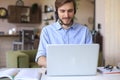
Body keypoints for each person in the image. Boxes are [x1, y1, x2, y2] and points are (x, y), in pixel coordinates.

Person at [35, 0, 93, 68]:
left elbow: (91, 56)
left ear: (74, 11)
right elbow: (40, 58)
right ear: (57, 12)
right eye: (62, 11)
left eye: (70, 11)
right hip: (55, 72)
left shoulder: (85, 31)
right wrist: (58, 66)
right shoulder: (47, 31)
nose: (66, 15)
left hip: (79, 72)